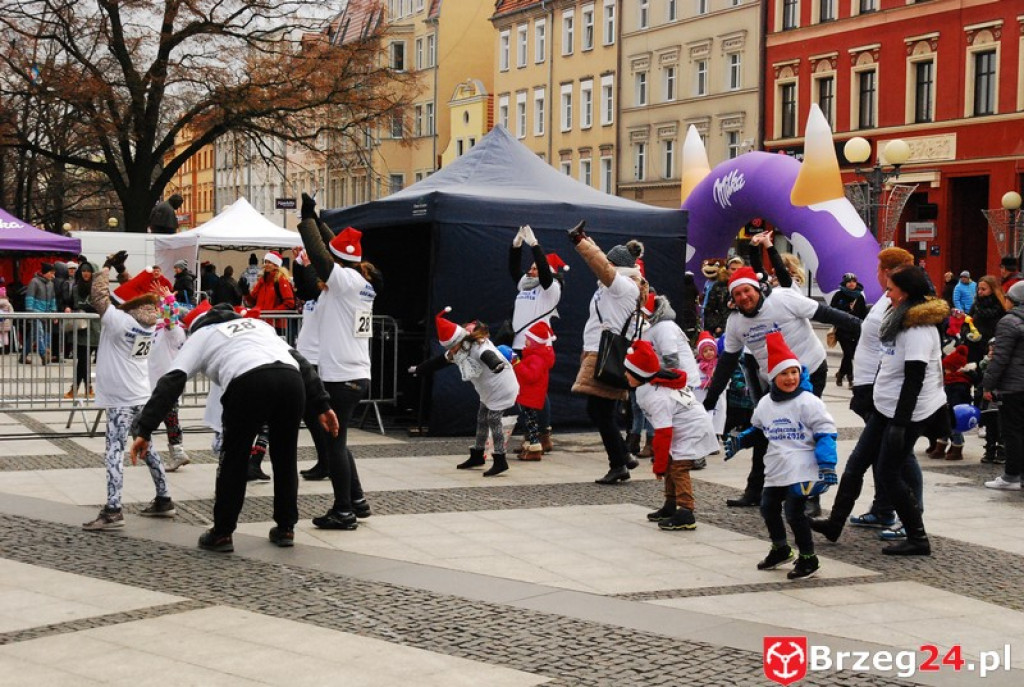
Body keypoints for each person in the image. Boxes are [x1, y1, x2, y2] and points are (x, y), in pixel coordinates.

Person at [130, 300, 337, 551]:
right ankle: (286, 528)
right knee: (285, 457)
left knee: (234, 459)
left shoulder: (201, 335)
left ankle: (222, 533)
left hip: (247, 382)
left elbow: (172, 380)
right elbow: (301, 362)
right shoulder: (258, 325)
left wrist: (145, 429)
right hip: (290, 380)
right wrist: (322, 404)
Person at [700, 266, 860, 509]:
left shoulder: (783, 299)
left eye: (747, 291)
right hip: (776, 379)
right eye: (738, 295)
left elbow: (827, 314)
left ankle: (811, 498)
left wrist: (865, 328)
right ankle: (755, 490)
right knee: (764, 427)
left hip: (809, 369)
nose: (744, 297)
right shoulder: (735, 323)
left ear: (756, 289)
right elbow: (726, 364)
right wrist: (709, 402)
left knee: (805, 433)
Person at [810, 248, 927, 543]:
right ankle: (882, 510)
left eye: (879, 269)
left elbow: (905, 360)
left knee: (896, 456)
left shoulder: (903, 305)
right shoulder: (888, 300)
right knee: (874, 457)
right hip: (871, 388)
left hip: (882, 392)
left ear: (888, 272)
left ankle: (911, 515)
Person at [724, 332, 838, 579]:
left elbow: (826, 432)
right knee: (768, 507)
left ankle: (808, 557)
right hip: (777, 466)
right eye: (784, 374)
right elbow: (759, 430)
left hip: (803, 465)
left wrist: (828, 464)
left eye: (794, 372)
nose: (790, 378)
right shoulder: (765, 403)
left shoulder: (808, 402)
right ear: (773, 377)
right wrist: (741, 441)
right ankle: (780, 548)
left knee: (795, 512)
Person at [297, 193, 381, 529]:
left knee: (334, 444)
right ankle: (356, 500)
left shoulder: (345, 280)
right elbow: (335, 248)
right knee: (339, 441)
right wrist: (317, 220)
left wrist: (306, 220)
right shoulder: (362, 281)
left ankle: (344, 510)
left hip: (342, 376)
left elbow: (321, 254)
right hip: (355, 373)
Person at [82, 263, 176, 531]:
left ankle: (113, 509)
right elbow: (130, 296)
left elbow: (99, 297)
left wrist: (104, 270)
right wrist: (127, 275)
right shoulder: (150, 320)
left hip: (120, 397)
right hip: (140, 394)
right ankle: (163, 497)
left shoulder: (120, 321)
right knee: (146, 446)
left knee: (114, 450)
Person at [870, 265, 948, 555]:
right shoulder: (902, 318)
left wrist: (900, 425)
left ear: (906, 293)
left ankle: (917, 536)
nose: (887, 293)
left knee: (890, 472)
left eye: (891, 289)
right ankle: (915, 533)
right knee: (888, 468)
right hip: (891, 408)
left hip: (909, 412)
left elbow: (914, 378)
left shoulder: (918, 328)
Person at [567, 222, 647, 484]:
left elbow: (600, 263)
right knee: (601, 410)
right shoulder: (614, 286)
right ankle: (623, 456)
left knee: (599, 411)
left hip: (606, 354)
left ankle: (619, 463)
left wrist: (580, 242)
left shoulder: (622, 286)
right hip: (599, 352)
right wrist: (588, 240)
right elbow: (603, 260)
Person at [411, 310, 519, 476]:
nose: (451, 351)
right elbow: (440, 361)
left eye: (451, 347)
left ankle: (500, 460)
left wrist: (496, 365)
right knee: (481, 418)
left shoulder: (478, 347)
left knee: (493, 419)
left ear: (459, 341)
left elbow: (489, 356)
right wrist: (419, 369)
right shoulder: (458, 351)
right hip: (488, 389)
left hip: (502, 386)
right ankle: (477, 455)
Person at [625, 340, 718, 531]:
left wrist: (658, 466)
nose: (625, 375)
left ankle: (686, 512)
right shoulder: (649, 386)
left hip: (693, 429)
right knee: (670, 461)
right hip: (682, 426)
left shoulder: (657, 396)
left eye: (628, 372)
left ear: (639, 374)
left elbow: (663, 433)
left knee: (677, 467)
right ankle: (670, 505)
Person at [508, 225, 565, 453]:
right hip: (519, 344)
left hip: (537, 347)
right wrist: (516, 246)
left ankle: (543, 433)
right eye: (529, 269)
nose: (530, 271)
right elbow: (513, 270)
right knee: (523, 392)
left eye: (534, 269)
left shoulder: (552, 288)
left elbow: (542, 268)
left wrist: (535, 245)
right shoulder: (525, 284)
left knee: (537, 391)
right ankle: (531, 435)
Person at [982, 281, 1024, 491]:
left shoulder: (1009, 322)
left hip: (1013, 385)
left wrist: (988, 384)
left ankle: (1012, 476)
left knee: (1012, 431)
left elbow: (1000, 358)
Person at [65, 262, 100, 398]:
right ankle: (84, 388)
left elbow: (99, 306)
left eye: (88, 271)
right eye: (83, 271)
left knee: (85, 361)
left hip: (95, 328)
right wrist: (68, 308)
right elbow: (69, 302)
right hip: (81, 328)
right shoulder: (76, 288)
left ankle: (79, 388)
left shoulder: (98, 288)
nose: (86, 273)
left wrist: (83, 308)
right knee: (82, 360)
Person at [829, 273, 868, 387]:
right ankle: (851, 379)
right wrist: (846, 308)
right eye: (849, 281)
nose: (851, 283)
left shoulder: (859, 297)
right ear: (845, 283)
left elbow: (863, 313)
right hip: (842, 329)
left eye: (853, 281)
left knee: (849, 355)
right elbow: (832, 310)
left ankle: (841, 373)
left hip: (855, 330)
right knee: (848, 353)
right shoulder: (839, 295)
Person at [244, 251, 296, 333]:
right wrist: (246, 293)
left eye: (270, 262)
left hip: (276, 325)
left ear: (276, 265)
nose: (266, 264)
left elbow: (289, 303)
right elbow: (252, 301)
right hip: (261, 322)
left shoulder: (281, 280)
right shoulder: (262, 280)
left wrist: (273, 314)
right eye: (265, 262)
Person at [966, 275, 1009, 361]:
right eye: (978, 289)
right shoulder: (976, 305)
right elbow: (967, 322)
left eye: (983, 289)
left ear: (993, 290)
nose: (979, 292)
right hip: (973, 347)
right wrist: (967, 333)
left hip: (993, 349)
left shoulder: (1001, 307)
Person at [24, 261, 57, 364]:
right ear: (45, 272)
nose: (53, 275)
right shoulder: (34, 282)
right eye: (51, 273)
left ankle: (23, 356)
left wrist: (54, 312)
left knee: (37, 335)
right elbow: (29, 297)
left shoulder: (51, 284)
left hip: (47, 313)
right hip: (36, 313)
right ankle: (44, 355)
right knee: (40, 334)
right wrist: (30, 311)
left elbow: (53, 299)